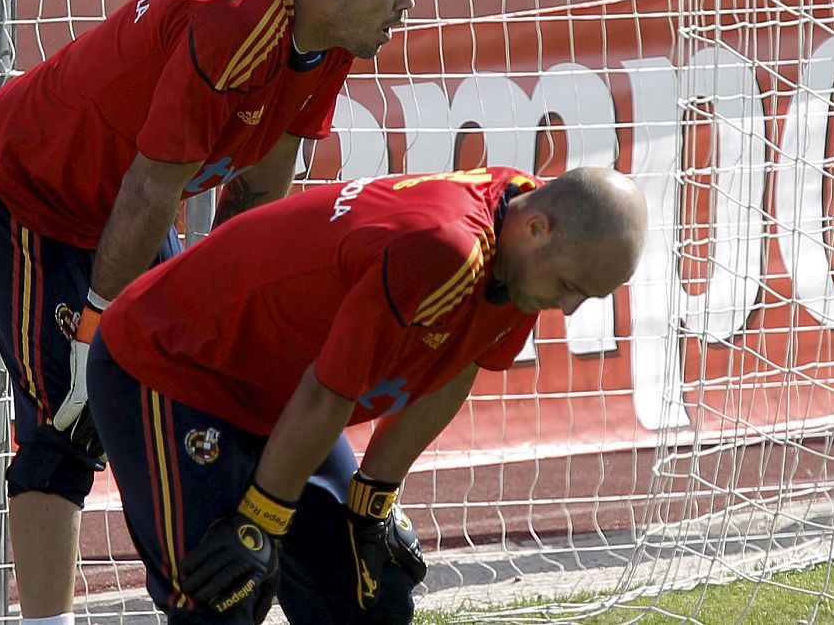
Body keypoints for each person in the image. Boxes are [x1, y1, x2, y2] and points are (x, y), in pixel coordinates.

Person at [0, 0, 417, 623]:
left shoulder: (330, 34)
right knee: (69, 422)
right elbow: (150, 185)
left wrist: (242, 316)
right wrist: (95, 331)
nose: (409, 6)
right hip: (33, 193)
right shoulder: (235, 21)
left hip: (132, 206)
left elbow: (261, 184)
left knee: (197, 364)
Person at [86, 165, 648, 623]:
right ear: (538, 229)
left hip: (279, 395)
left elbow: (457, 364)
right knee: (224, 594)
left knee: (371, 595)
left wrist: (372, 501)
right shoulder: (448, 248)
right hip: (174, 363)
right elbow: (329, 392)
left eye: (585, 297)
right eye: (571, 289)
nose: (569, 307)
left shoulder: (525, 250)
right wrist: (260, 520)